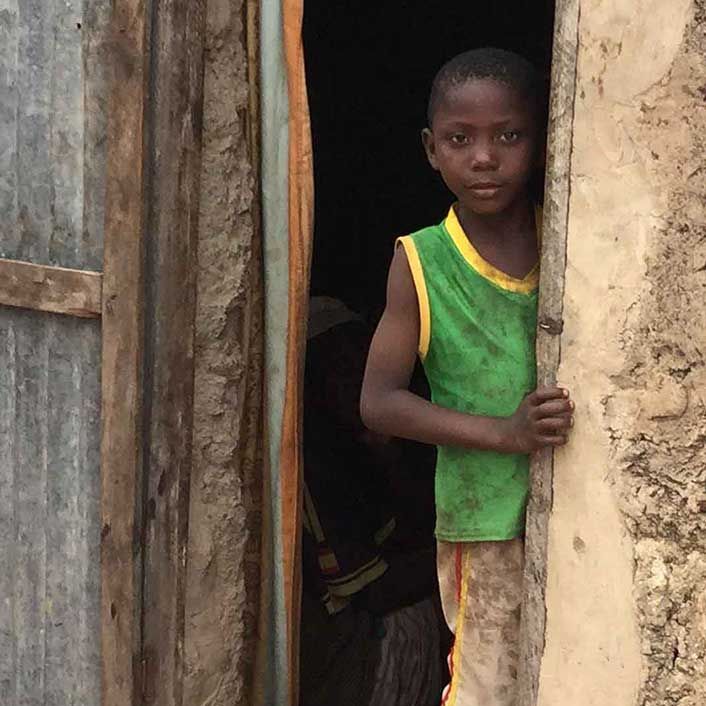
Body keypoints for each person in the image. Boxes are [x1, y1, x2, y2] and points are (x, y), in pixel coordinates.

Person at [360, 48, 575, 706]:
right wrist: (506, 434)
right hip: (483, 525)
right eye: (460, 139)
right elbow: (380, 403)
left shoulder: (574, 240)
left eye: (509, 136)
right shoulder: (421, 261)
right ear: (432, 149)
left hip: (580, 511)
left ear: (542, 142)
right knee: (488, 687)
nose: (484, 158)